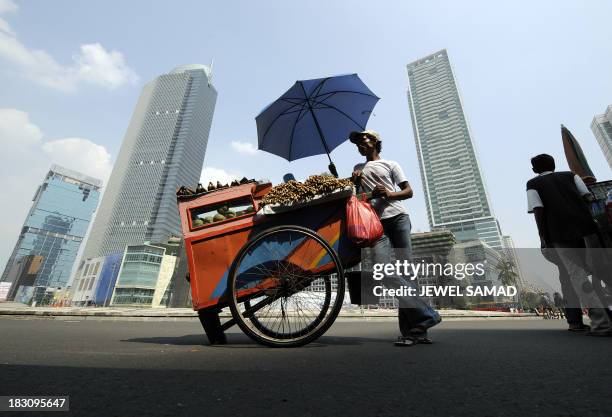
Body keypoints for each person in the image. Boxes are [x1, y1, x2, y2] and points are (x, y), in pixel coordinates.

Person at [350, 130, 441, 346]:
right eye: (357, 143)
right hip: (375, 224)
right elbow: (357, 200)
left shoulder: (391, 164)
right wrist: (354, 184)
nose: (360, 144)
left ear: (375, 142)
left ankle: (413, 333)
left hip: (398, 218)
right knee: (383, 271)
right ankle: (427, 315)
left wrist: (388, 194)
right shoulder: (357, 169)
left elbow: (408, 192)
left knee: (406, 275)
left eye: (364, 140)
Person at [526, 153, 612, 336]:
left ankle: (602, 324)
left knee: (576, 275)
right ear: (554, 165)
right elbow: (588, 197)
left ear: (534, 169)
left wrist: (544, 237)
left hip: (559, 234)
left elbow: (538, 210)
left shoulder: (533, 184)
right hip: (587, 228)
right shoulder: (571, 176)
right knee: (602, 270)